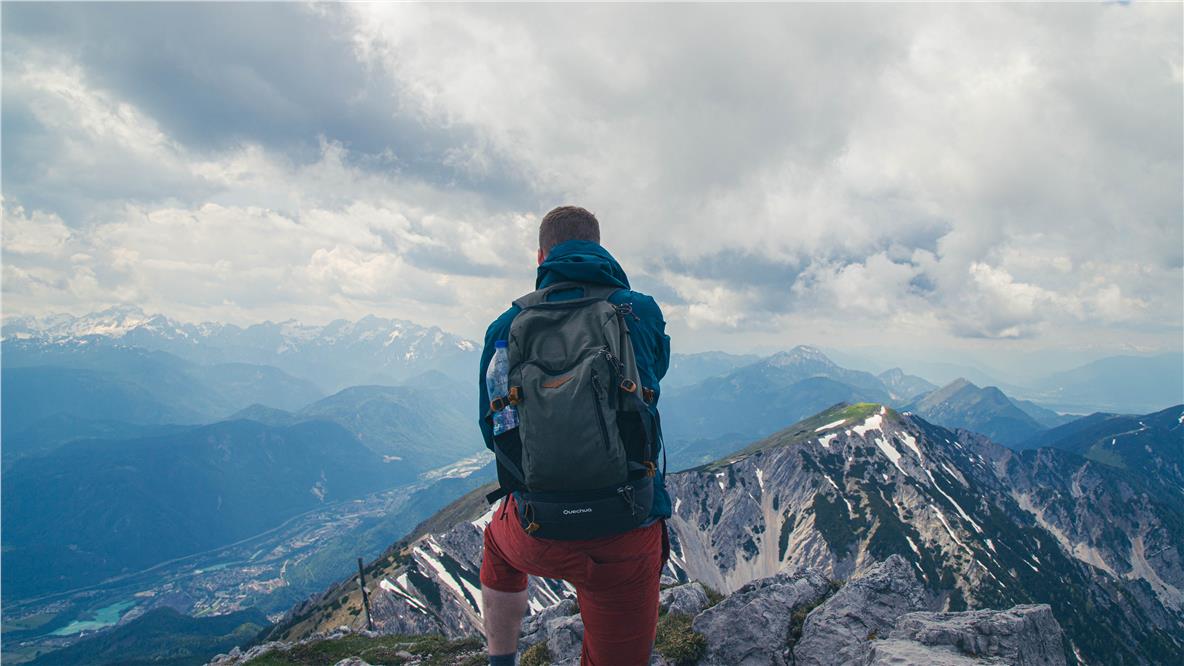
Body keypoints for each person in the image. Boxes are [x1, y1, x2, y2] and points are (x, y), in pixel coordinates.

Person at [476, 205, 673, 666]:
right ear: (600, 249)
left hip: (537, 528)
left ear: (541, 255)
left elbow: (494, 428)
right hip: (625, 532)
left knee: (495, 546)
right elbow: (653, 377)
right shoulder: (638, 311)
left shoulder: (505, 328)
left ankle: (501, 660)